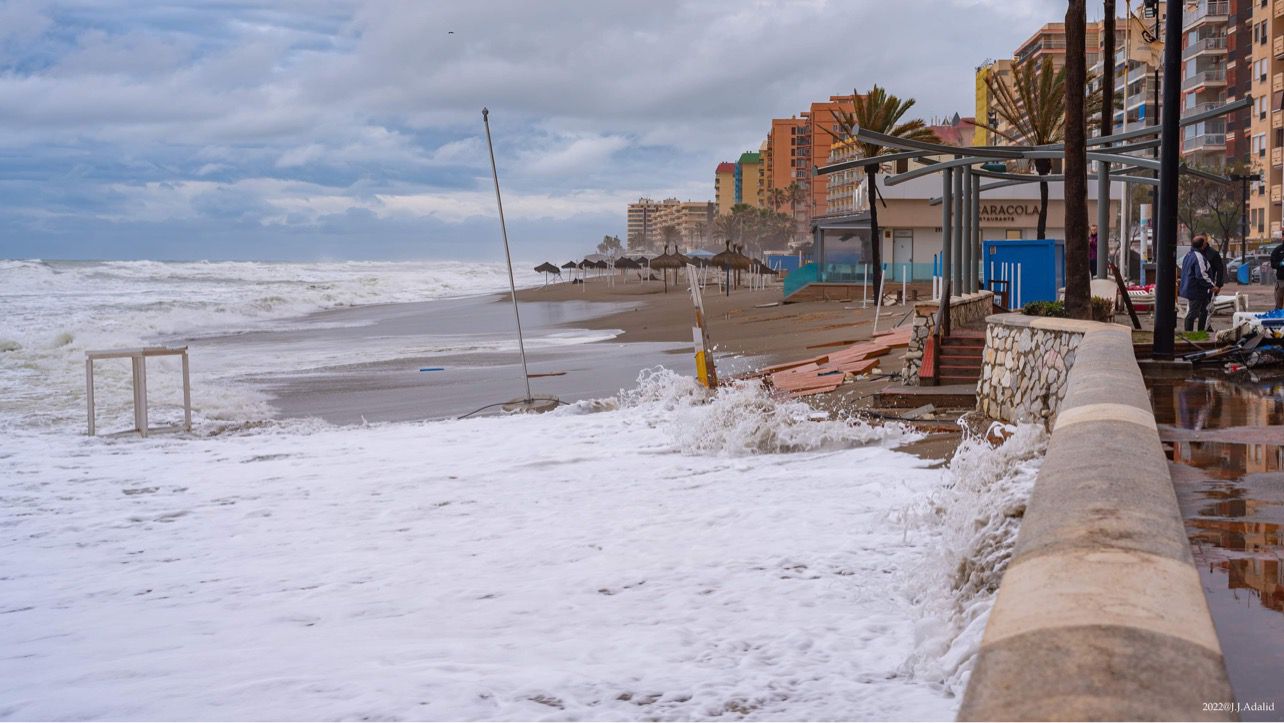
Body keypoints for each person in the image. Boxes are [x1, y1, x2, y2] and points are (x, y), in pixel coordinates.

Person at [1180, 235, 1215, 332]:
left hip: (1195, 289)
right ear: (1202, 245)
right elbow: (1201, 275)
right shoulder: (1198, 256)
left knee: (1204, 311)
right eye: (1205, 242)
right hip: (1196, 290)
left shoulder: (1188, 255)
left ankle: (1201, 331)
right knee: (1193, 313)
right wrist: (1211, 285)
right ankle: (1189, 333)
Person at [1272, 242, 1284, 310]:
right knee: (1279, 305)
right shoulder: (1278, 250)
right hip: (1281, 281)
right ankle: (1279, 319)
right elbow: (1273, 264)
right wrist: (1280, 264)